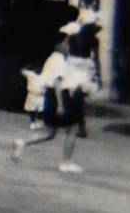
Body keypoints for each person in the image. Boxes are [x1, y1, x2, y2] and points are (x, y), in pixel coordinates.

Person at [13, 21, 100, 173]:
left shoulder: (54, 58)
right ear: (58, 44)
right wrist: (61, 105)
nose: (68, 45)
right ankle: (66, 161)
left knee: (49, 131)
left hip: (50, 95)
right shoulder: (59, 60)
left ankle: (24, 143)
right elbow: (59, 82)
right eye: (65, 42)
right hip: (60, 96)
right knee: (71, 128)